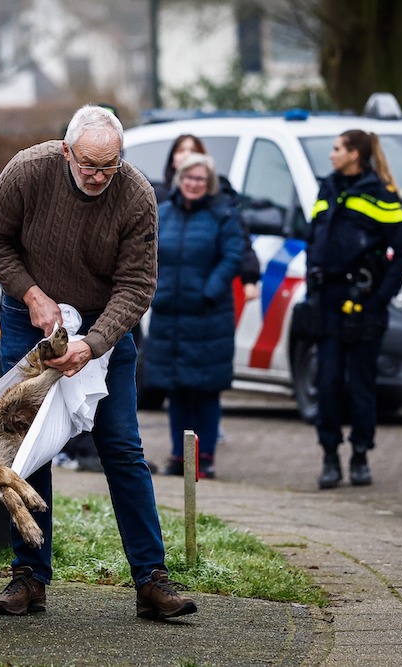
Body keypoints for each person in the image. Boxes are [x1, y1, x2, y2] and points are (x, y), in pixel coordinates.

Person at [0, 104, 198, 621]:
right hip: (29, 319)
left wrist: (93, 344)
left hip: (102, 324)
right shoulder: (30, 170)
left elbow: (137, 286)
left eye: (109, 166)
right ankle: (28, 576)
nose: (98, 176)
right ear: (67, 150)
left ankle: (151, 578)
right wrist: (29, 293)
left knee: (121, 446)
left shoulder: (136, 195)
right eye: (89, 164)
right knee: (29, 446)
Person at [305, 130, 402, 489]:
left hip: (365, 303)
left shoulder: (380, 194)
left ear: (355, 154)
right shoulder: (328, 188)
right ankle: (329, 456)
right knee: (328, 382)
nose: (332, 155)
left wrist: (380, 298)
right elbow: (313, 241)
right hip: (329, 302)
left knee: (361, 386)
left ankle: (361, 456)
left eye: (337, 149)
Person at [145, 154, 245, 479]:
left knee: (205, 390)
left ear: (210, 183)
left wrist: (210, 291)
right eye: (189, 178)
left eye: (200, 179)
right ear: (179, 180)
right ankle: (179, 456)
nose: (193, 184)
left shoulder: (223, 215)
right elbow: (147, 255)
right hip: (169, 318)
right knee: (175, 390)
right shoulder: (163, 214)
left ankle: (205, 457)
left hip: (207, 318)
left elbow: (233, 256)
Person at [154, 134, 260, 301]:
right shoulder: (159, 200)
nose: (187, 154)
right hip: (166, 303)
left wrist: (249, 277)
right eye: (181, 150)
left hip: (206, 303)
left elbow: (238, 244)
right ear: (172, 158)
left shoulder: (221, 201)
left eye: (193, 150)